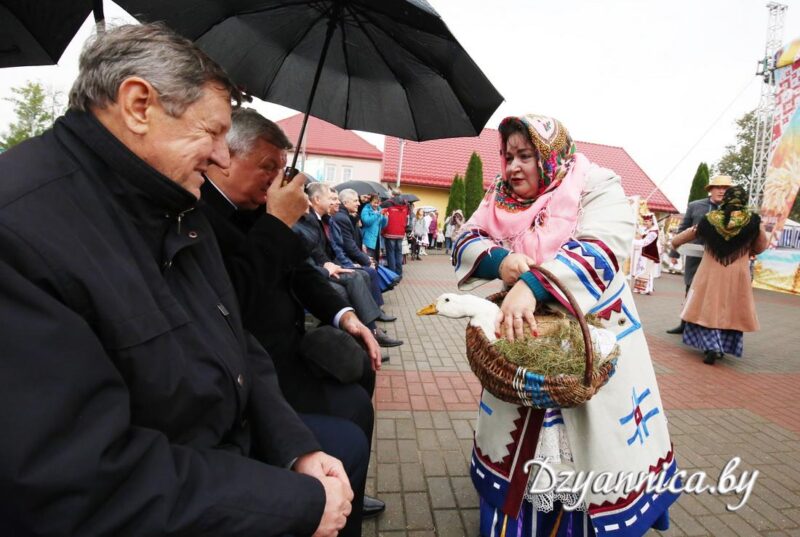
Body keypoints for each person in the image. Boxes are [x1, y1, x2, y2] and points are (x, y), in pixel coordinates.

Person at [0, 24, 363, 536]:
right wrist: (293, 503)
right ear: (138, 105)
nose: (221, 155)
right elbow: (79, 478)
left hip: (218, 466)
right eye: (212, 132)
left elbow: (236, 341)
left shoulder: (173, 206)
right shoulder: (19, 231)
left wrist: (294, 447)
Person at [452, 114, 677, 536]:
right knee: (520, 444)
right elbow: (465, 239)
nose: (512, 167)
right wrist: (503, 262)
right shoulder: (498, 195)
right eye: (507, 156)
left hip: (592, 332)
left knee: (593, 448)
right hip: (523, 337)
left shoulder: (596, 183)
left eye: (525, 156)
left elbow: (602, 245)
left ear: (550, 156)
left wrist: (534, 284)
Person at [199, 109, 389, 521]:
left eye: (280, 169)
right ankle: (333, 502)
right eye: (267, 166)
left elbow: (301, 271)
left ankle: (347, 497)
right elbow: (231, 302)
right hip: (248, 370)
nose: (274, 179)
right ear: (224, 156)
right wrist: (277, 225)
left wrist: (346, 316)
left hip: (282, 353)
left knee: (358, 394)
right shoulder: (202, 213)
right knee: (349, 429)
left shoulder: (255, 210)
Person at [295, 183, 403, 347]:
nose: (335, 202)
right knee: (354, 279)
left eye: (337, 199)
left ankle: (366, 330)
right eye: (331, 198)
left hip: (325, 267)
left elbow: (328, 250)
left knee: (362, 275)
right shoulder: (309, 221)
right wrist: (331, 267)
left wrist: (336, 264)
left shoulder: (325, 219)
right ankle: (367, 332)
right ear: (316, 200)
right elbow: (322, 252)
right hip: (315, 273)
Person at [671, 186, 767, 365]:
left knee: (709, 306)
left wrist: (674, 243)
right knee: (731, 308)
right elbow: (761, 246)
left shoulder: (711, 219)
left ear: (726, 200)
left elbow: (688, 234)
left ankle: (710, 346)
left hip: (710, 272)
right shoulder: (753, 221)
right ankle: (723, 345)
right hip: (738, 273)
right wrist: (748, 249)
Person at [666, 175, 732, 334]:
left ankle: (706, 328)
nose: (722, 191)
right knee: (690, 290)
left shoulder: (732, 209)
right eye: (718, 187)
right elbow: (683, 228)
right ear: (711, 190)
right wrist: (674, 251)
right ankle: (684, 324)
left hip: (718, 259)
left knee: (713, 294)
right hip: (694, 255)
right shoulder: (695, 206)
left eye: (725, 188)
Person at [381, 189, 410, 277]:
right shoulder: (406, 204)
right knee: (398, 253)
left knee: (390, 253)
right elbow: (408, 218)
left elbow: (381, 212)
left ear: (392, 194)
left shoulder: (387, 203)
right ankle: (399, 273)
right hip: (400, 232)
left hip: (389, 231)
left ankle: (392, 274)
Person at [631, 210, 660, 294]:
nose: (646, 223)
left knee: (646, 271)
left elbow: (645, 242)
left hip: (650, 254)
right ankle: (639, 288)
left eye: (647, 221)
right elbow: (641, 236)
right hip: (644, 253)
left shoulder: (653, 232)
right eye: (645, 221)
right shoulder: (648, 230)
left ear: (652, 221)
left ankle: (645, 289)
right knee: (640, 269)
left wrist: (632, 241)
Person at [360, 194, 388, 260]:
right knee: (369, 259)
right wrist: (377, 214)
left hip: (377, 239)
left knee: (376, 260)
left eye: (378, 203)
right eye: (374, 203)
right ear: (370, 202)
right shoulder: (366, 209)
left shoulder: (380, 209)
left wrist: (385, 217)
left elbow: (383, 225)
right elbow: (367, 222)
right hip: (368, 239)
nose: (376, 205)